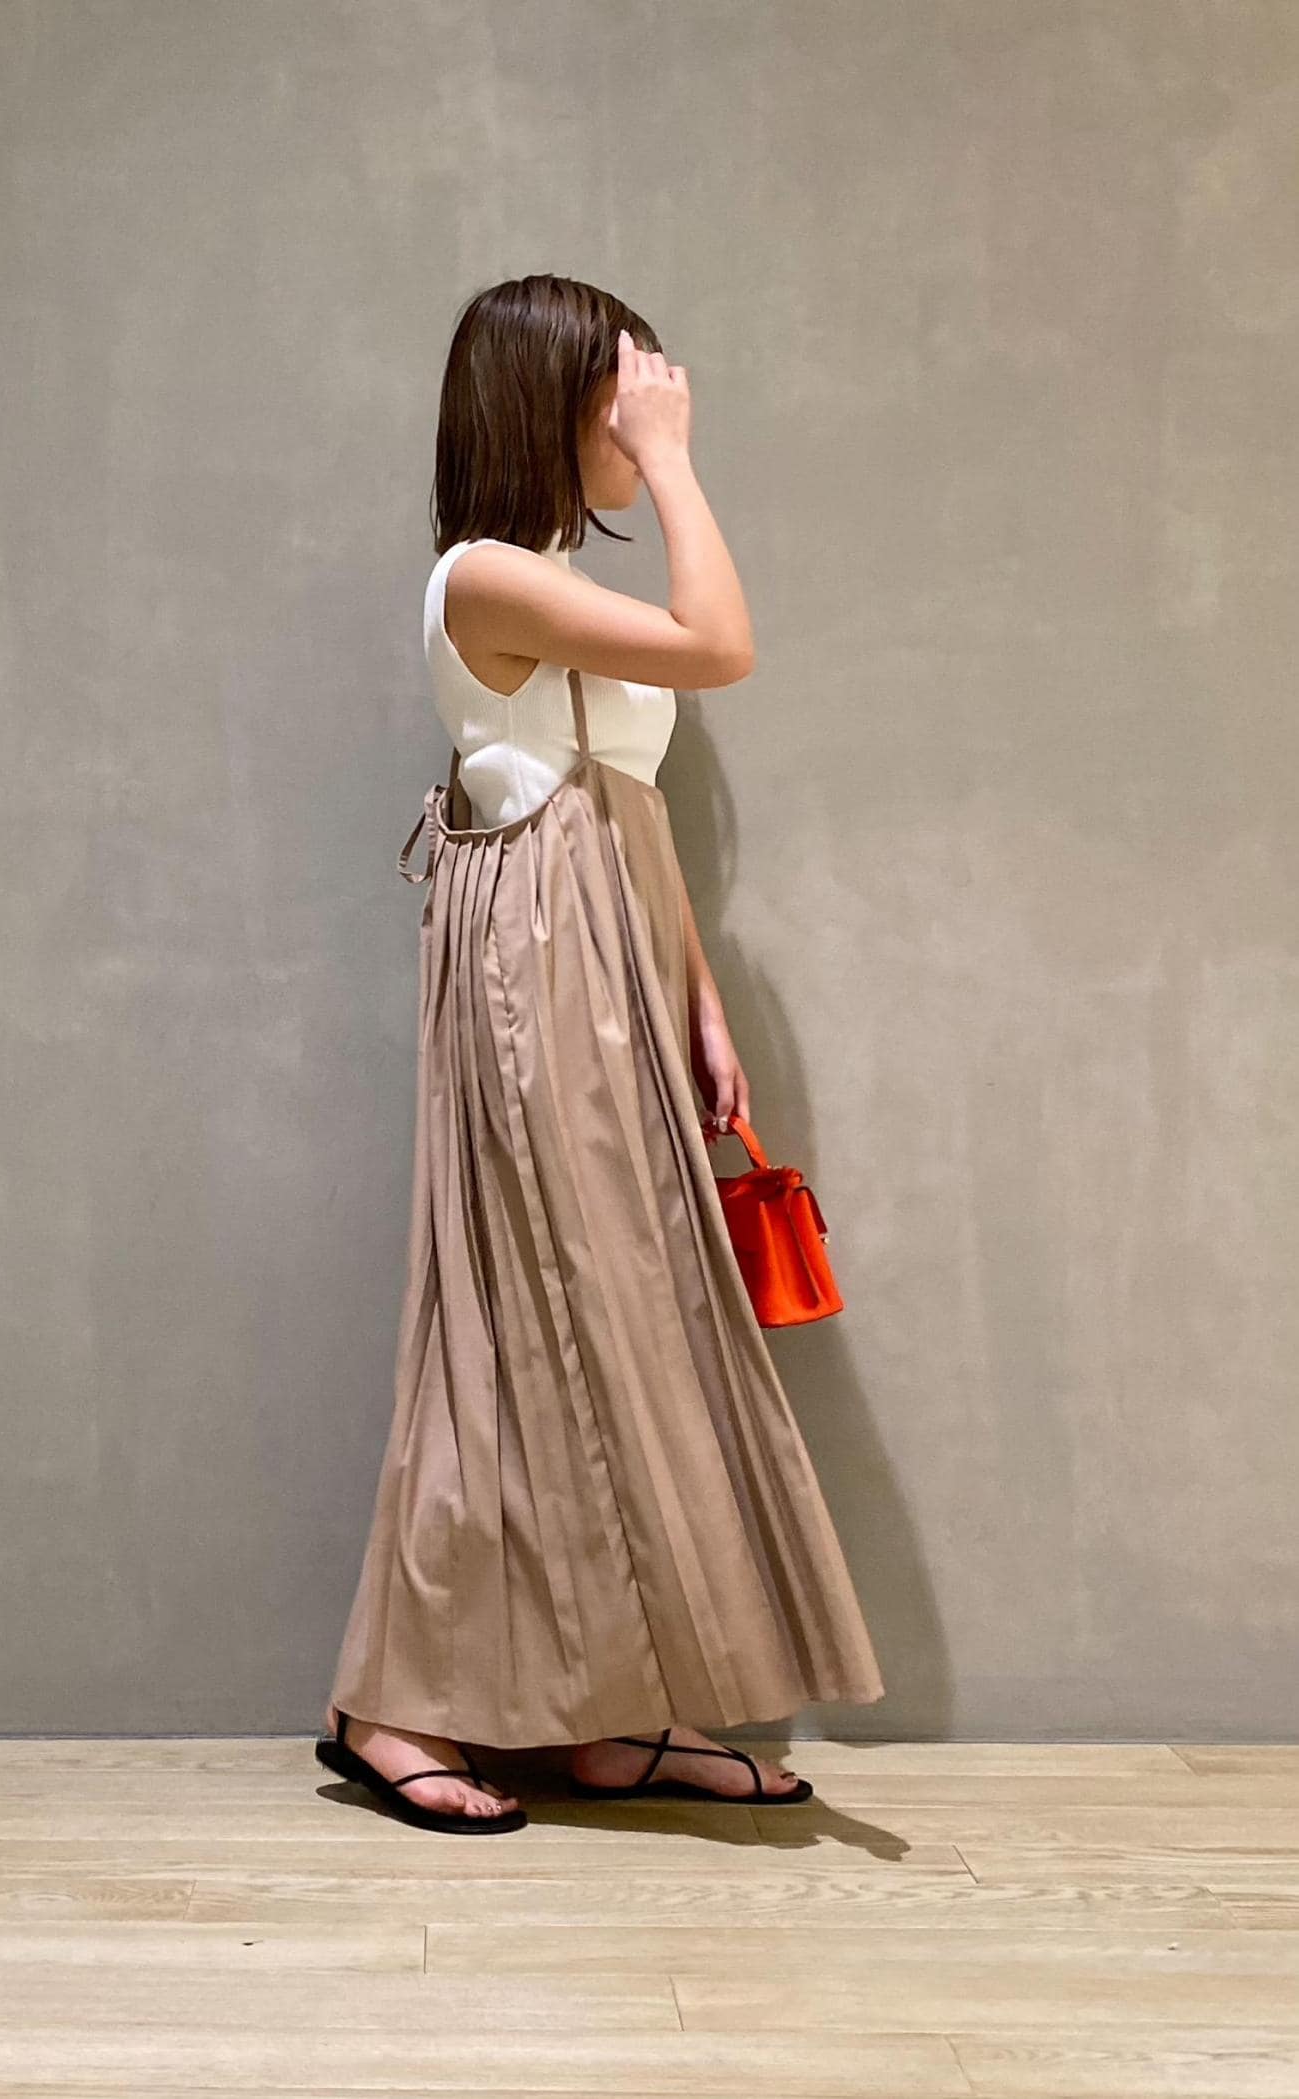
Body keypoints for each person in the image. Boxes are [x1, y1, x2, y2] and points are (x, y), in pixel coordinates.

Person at [319, 276, 884, 1834]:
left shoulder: (559, 578)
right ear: (546, 405)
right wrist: (679, 460)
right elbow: (723, 643)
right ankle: (387, 1702)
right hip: (543, 964)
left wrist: (702, 998)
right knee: (533, 1326)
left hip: (616, 948)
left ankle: (610, 1714)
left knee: (624, 1329)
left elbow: (629, 795)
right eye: (619, 395)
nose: (645, 416)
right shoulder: (486, 577)